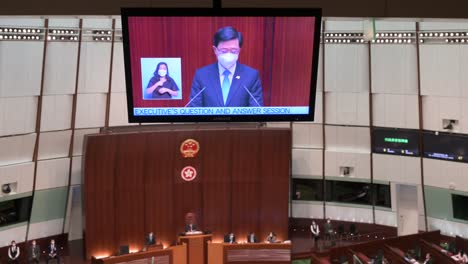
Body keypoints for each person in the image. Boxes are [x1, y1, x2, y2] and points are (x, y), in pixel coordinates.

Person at [188, 26, 263, 107]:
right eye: (224, 51)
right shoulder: (201, 75)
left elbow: (256, 111)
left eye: (234, 51)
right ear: (215, 50)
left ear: (239, 50)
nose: (229, 54)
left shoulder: (251, 76)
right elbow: (194, 109)